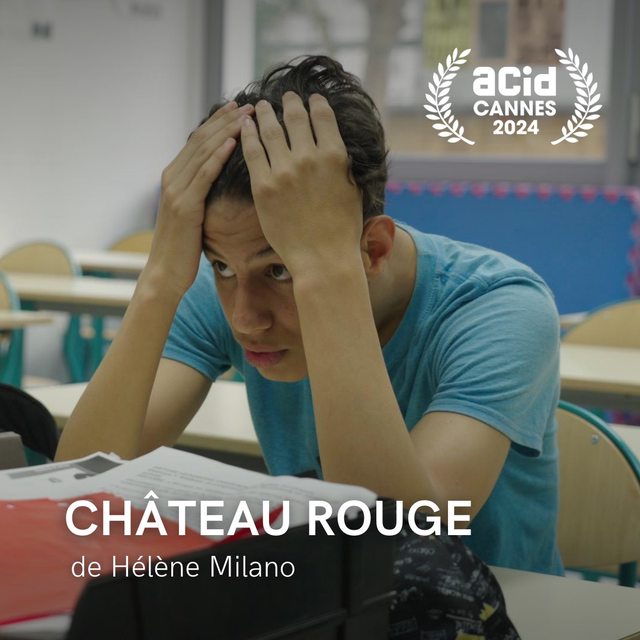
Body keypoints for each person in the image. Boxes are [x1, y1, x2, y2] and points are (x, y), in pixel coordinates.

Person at [56, 55, 561, 577]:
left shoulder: (501, 307)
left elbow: (400, 544)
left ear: (374, 250)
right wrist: (160, 278)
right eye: (221, 266)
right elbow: (77, 487)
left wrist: (324, 270)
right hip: (322, 593)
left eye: (279, 270)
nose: (245, 319)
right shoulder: (228, 288)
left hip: (502, 608)